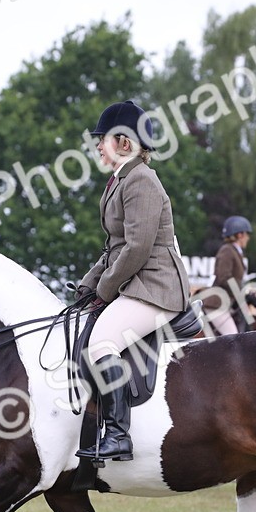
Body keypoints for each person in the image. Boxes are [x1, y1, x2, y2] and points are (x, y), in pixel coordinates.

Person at [75, 100, 190, 462]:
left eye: (103, 139)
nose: (98, 146)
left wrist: (105, 290)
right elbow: (115, 247)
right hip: (139, 284)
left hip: (156, 288)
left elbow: (137, 248)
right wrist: (87, 285)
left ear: (124, 142)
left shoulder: (141, 180)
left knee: (101, 344)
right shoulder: (121, 180)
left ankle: (118, 434)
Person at [201, 215, 251, 336]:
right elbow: (223, 277)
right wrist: (243, 289)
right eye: (247, 234)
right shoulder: (227, 250)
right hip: (216, 304)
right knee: (233, 337)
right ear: (240, 235)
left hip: (227, 303)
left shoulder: (236, 252)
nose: (248, 238)